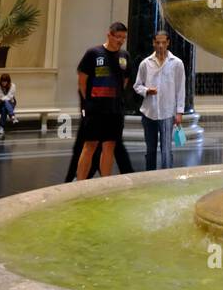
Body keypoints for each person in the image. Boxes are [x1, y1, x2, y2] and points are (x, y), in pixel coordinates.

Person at [74, 22, 130, 180]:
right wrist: (89, 102)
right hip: (95, 109)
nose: (120, 41)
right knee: (90, 145)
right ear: (109, 35)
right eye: (117, 37)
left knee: (110, 145)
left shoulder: (125, 56)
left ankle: (105, 183)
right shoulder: (93, 53)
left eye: (123, 38)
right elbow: (82, 81)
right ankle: (80, 183)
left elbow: (124, 81)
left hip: (115, 110)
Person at [134, 30, 185, 171]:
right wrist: (146, 91)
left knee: (166, 150)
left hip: (168, 113)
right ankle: (150, 176)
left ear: (168, 42)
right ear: (153, 43)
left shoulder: (177, 63)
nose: (161, 45)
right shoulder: (145, 63)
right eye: (158, 42)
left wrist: (179, 112)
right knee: (150, 150)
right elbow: (137, 85)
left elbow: (181, 89)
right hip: (149, 112)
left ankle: (167, 177)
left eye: (163, 42)